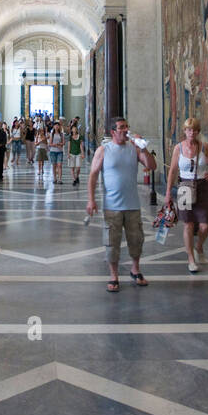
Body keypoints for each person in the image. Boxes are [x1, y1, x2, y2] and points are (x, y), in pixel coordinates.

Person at [86, 117, 156, 292]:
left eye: (127, 127)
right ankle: (113, 275)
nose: (126, 130)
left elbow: (152, 165)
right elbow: (93, 175)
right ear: (113, 132)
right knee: (112, 242)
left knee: (136, 240)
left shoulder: (135, 149)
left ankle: (135, 269)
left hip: (132, 204)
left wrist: (144, 148)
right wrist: (91, 199)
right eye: (121, 128)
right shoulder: (103, 150)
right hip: (112, 205)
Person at [165, 117, 208, 273]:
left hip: (202, 186)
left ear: (198, 132)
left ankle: (199, 246)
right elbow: (173, 170)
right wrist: (168, 192)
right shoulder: (178, 148)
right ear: (185, 131)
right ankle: (190, 258)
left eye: (195, 130)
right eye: (189, 130)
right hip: (185, 187)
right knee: (188, 224)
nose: (192, 133)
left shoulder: (204, 147)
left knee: (204, 225)